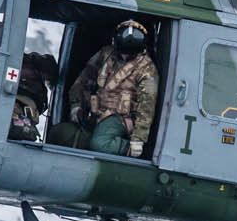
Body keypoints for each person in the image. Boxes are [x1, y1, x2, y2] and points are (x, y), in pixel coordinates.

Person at [55, 20, 157, 157]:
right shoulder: (106, 54)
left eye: (130, 52)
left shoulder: (147, 69)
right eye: (123, 50)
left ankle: (129, 149)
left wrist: (138, 139)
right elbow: (84, 79)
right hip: (95, 112)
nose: (125, 55)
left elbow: (147, 105)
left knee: (100, 144)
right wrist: (76, 105)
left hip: (120, 118)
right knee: (61, 133)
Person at [10, 52, 59, 142]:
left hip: (18, 107)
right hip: (18, 107)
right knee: (28, 134)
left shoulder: (22, 62)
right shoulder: (31, 76)